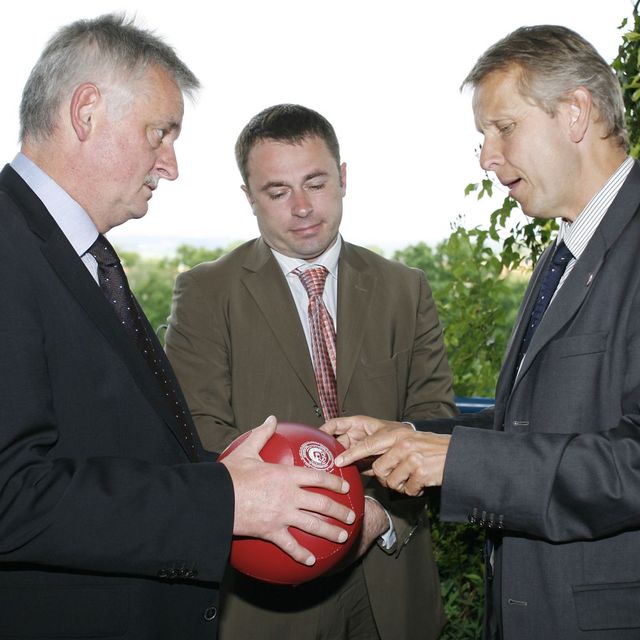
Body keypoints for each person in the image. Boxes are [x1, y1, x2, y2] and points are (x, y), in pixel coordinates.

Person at [0, 15, 357, 640]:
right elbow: (11, 496)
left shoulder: (73, 253)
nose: (170, 165)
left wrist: (210, 470)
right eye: (159, 132)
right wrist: (222, 500)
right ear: (86, 112)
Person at [322, 24, 640, 640]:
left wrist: (460, 460)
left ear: (575, 112)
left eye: (503, 128)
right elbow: (532, 429)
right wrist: (411, 437)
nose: (487, 157)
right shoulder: (563, 252)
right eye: (482, 137)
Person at [165, 103, 456, 640]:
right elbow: (199, 438)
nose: (301, 207)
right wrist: (321, 517)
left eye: (315, 183)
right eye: (277, 192)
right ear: (249, 197)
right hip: (269, 596)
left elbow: (432, 423)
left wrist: (377, 516)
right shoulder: (207, 293)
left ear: (343, 178)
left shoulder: (405, 288)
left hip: (392, 588)